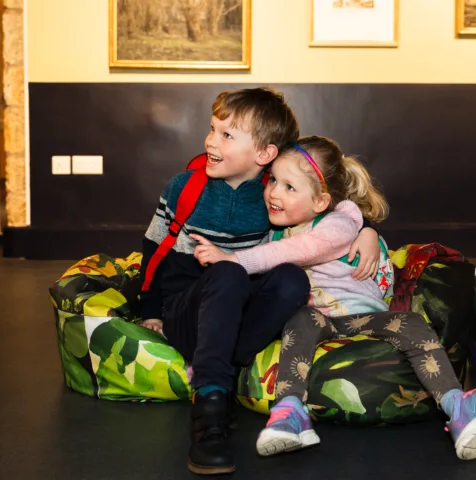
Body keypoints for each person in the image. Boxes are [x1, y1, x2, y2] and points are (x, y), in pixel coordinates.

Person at [191, 135, 476, 462]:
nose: (273, 192)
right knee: (299, 322)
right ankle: (289, 411)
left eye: (289, 187)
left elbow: (292, 251)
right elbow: (265, 258)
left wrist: (233, 259)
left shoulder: (338, 224)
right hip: (319, 319)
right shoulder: (278, 228)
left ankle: (457, 405)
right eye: (273, 181)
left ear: (320, 202)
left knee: (411, 323)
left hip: (364, 317)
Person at [140, 88, 380, 475]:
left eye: (226, 135)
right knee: (230, 271)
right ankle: (210, 409)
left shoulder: (272, 194)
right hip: (187, 312)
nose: (211, 141)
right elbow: (153, 249)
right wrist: (150, 308)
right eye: (212, 129)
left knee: (290, 278)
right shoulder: (183, 188)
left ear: (265, 154)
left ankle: (230, 366)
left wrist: (365, 229)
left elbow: (327, 209)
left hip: (237, 324)